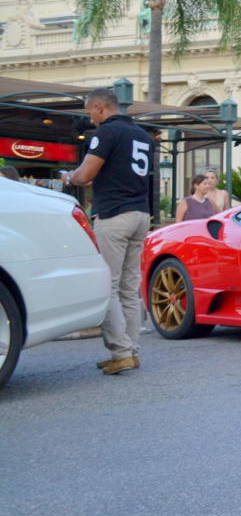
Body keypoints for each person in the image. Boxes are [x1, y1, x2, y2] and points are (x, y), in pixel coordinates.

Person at [60, 87, 152, 376]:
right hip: (140, 214)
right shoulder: (143, 135)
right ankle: (132, 350)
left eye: (90, 112)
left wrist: (69, 176)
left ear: (100, 107)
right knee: (129, 287)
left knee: (107, 285)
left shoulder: (106, 133)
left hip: (114, 214)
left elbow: (85, 175)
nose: (90, 118)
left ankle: (121, 352)